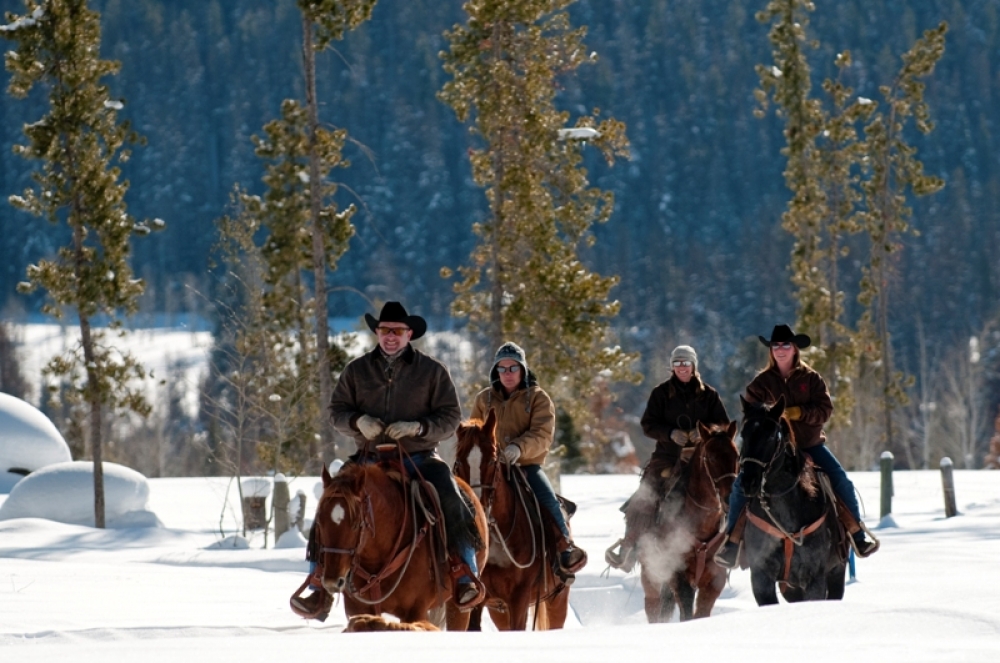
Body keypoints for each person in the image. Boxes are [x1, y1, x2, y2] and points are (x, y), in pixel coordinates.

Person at [290, 301, 483, 620]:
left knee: (451, 497)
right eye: (384, 330)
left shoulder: (432, 371)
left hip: (419, 458)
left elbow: (450, 418)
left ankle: (464, 576)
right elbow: (336, 412)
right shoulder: (357, 370)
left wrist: (419, 427)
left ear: (409, 334)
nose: (390, 337)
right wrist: (357, 422)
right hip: (367, 460)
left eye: (397, 331)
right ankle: (319, 586)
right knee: (332, 503)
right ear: (376, 333)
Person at [714, 324, 879, 569]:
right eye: (776, 345)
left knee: (841, 480)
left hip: (809, 445)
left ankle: (857, 534)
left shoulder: (811, 379)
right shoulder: (761, 383)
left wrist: (801, 412)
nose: (780, 350)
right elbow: (750, 413)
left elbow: (825, 410)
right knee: (740, 485)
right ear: (771, 350)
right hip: (771, 452)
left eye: (785, 345)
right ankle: (732, 542)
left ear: (794, 349)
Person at [470, 342, 588, 581]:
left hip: (525, 466)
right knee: (465, 500)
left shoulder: (538, 398)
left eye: (513, 367)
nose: (508, 374)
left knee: (547, 499)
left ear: (523, 369)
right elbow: (474, 431)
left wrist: (517, 448)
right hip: (490, 469)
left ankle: (565, 548)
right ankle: (459, 558)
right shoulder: (484, 399)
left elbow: (542, 434)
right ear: (495, 372)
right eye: (502, 369)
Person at [605, 345, 729, 572]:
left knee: (729, 488)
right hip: (667, 457)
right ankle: (629, 548)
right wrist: (670, 434)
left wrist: (702, 432)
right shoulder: (660, 393)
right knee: (644, 498)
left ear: (694, 366)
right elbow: (648, 425)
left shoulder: (709, 395)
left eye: (686, 362)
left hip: (702, 459)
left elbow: (723, 424)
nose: (682, 367)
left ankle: (733, 543)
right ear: (672, 366)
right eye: (678, 363)